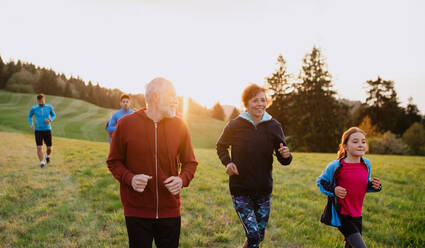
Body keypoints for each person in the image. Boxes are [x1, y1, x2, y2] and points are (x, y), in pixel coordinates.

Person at [106, 77, 198, 248]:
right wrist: (130, 178)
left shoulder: (180, 126)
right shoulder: (126, 124)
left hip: (170, 210)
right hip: (137, 211)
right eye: (170, 95)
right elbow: (114, 161)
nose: (175, 100)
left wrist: (182, 179)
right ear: (155, 96)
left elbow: (190, 162)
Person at [216, 84, 292, 248]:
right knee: (253, 234)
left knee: (258, 236)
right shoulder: (235, 125)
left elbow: (283, 157)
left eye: (263, 100)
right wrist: (228, 162)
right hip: (240, 188)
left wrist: (286, 155)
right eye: (255, 100)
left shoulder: (274, 126)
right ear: (246, 103)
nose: (260, 104)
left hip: (264, 189)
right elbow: (221, 146)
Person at [317, 127, 382, 248]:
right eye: (355, 141)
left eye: (363, 141)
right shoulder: (336, 166)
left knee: (350, 245)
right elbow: (321, 182)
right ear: (345, 146)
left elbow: (363, 184)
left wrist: (374, 186)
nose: (360, 145)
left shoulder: (366, 164)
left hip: (357, 213)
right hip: (342, 213)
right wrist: (334, 190)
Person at [28, 93, 56, 168]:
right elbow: (29, 116)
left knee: (49, 148)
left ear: (44, 99)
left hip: (47, 130)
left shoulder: (49, 107)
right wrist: (31, 124)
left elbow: (54, 115)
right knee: (39, 147)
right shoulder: (34, 108)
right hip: (38, 130)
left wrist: (50, 119)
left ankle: (47, 155)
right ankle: (42, 162)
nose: (41, 102)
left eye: (42, 100)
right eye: (39, 101)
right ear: (37, 101)